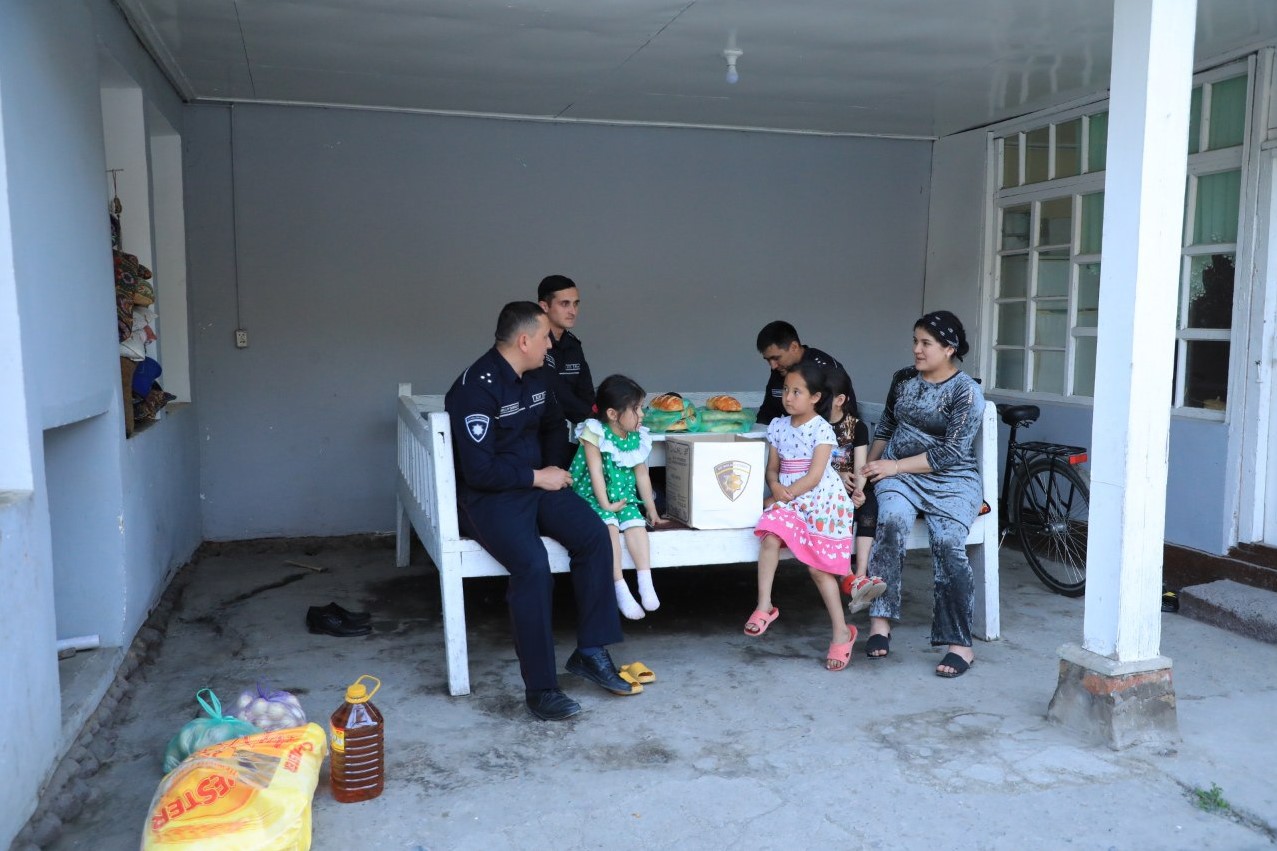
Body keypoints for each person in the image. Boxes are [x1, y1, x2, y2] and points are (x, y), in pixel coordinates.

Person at [444, 301, 636, 721]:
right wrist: (536, 476)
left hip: (537, 485)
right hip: (489, 497)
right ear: (524, 340)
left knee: (594, 535)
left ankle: (590, 650)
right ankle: (542, 689)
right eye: (546, 337)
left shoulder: (539, 375)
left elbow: (552, 425)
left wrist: (551, 471)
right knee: (532, 567)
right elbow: (478, 471)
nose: (551, 344)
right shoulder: (474, 388)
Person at [859, 310, 985, 678]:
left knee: (948, 542)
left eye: (925, 343)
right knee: (891, 521)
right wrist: (869, 470)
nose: (916, 349)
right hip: (899, 476)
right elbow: (886, 427)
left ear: (949, 349)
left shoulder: (965, 391)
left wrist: (893, 467)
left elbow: (950, 453)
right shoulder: (903, 379)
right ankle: (880, 621)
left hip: (952, 479)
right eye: (915, 341)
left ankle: (959, 643)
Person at [743, 361, 858, 671]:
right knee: (769, 536)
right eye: (786, 390)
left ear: (815, 397)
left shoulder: (821, 429)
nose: (788, 397)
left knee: (818, 570)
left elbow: (816, 475)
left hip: (821, 500)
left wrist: (786, 494)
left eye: (797, 392)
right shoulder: (778, 426)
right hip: (789, 496)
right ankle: (764, 605)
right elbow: (772, 469)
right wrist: (775, 487)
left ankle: (842, 631)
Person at [570, 375, 663, 620]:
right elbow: (595, 472)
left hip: (623, 495)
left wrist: (651, 509)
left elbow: (642, 474)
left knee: (636, 523)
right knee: (609, 527)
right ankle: (620, 587)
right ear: (612, 414)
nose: (641, 414)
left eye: (641, 407)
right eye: (636, 409)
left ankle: (646, 581)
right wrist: (605, 504)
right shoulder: (594, 431)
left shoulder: (637, 436)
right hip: (594, 495)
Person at [825, 367, 885, 613]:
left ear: (840, 400)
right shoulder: (815, 425)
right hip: (827, 488)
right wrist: (838, 478)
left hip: (854, 485)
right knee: (842, 509)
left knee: (869, 506)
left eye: (823, 396)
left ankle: (860, 575)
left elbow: (861, 465)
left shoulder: (856, 427)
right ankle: (846, 574)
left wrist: (859, 490)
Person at [538, 275, 595, 467]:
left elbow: (586, 392)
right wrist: (594, 417)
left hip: (560, 435)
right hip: (535, 437)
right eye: (565, 304)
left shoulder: (573, 345)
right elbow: (556, 391)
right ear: (544, 306)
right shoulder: (533, 344)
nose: (573, 311)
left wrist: (599, 417)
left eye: (576, 304)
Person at [755, 321, 854, 425]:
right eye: (768, 360)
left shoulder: (825, 368)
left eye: (776, 358)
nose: (773, 365)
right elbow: (768, 412)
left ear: (794, 347)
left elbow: (845, 419)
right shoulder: (780, 369)